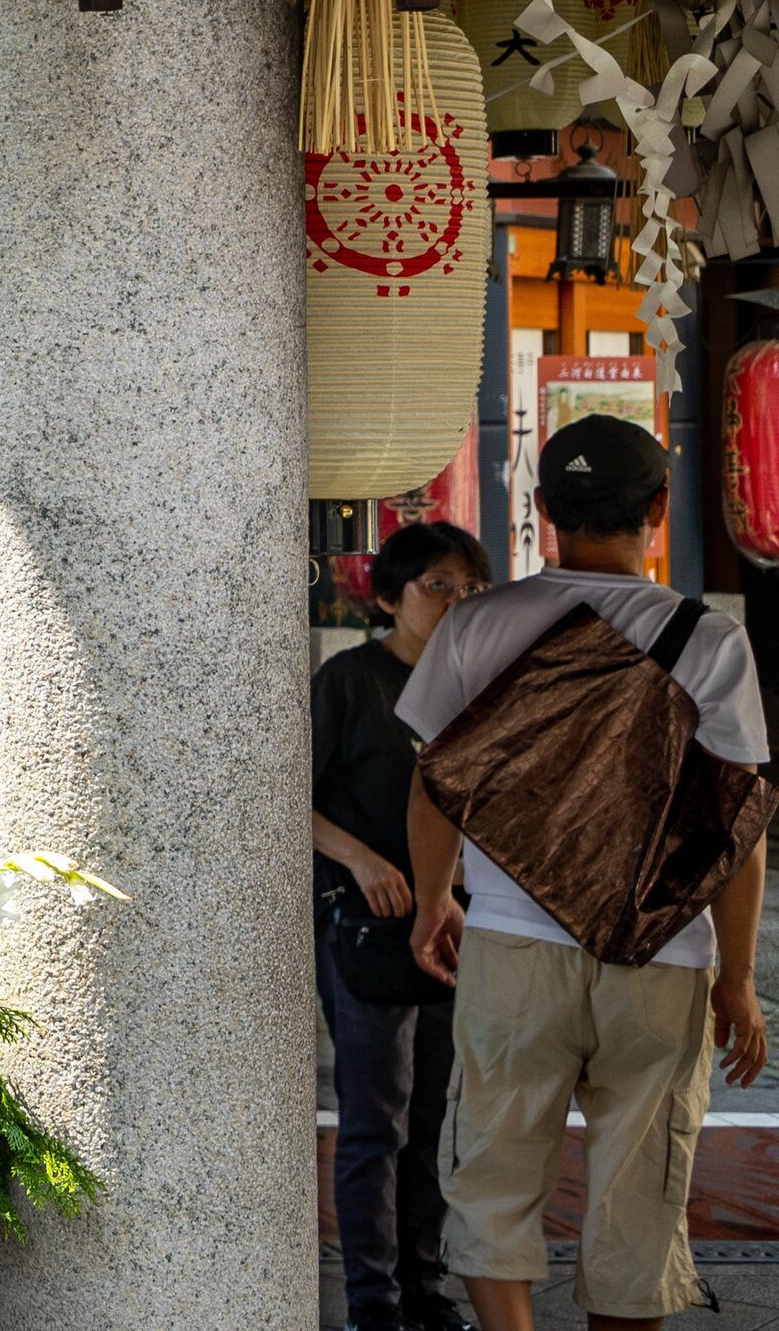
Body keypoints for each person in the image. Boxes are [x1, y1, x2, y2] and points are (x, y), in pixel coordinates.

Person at [398, 416, 769, 1331]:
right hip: (660, 952)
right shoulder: (707, 639)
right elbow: (737, 828)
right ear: (657, 508)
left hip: (513, 942)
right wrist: (737, 978)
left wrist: (436, 899)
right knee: (640, 1182)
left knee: (492, 1163)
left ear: (542, 510)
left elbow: (434, 784)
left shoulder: (479, 622)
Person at [316, 520, 489, 1331]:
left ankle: (426, 1289)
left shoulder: (478, 685)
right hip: (367, 929)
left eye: (469, 589)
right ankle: (373, 1303)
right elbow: (290, 801)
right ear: (389, 597)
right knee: (374, 1120)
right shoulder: (351, 680)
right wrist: (362, 860)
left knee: (431, 1120)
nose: (456, 602)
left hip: (454, 924)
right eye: (438, 586)